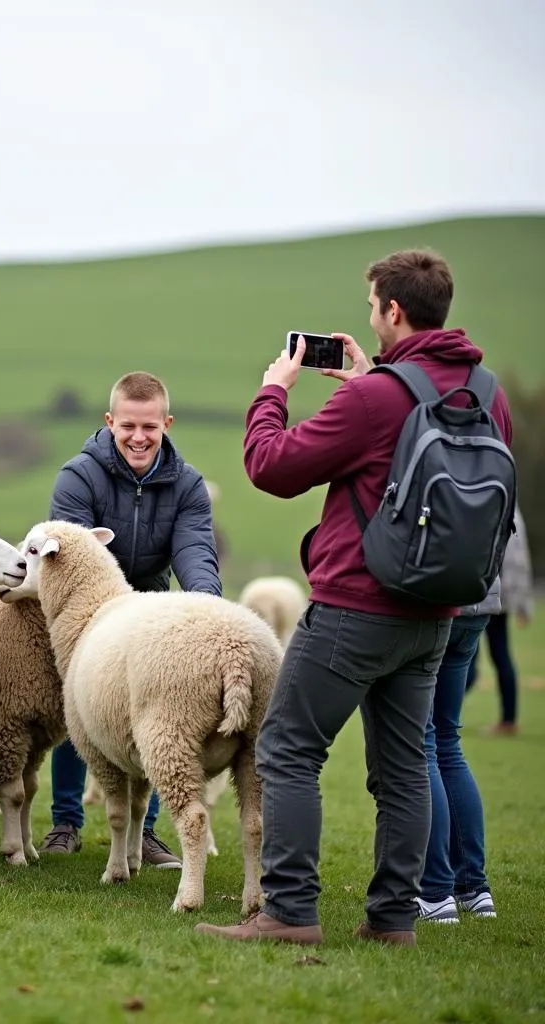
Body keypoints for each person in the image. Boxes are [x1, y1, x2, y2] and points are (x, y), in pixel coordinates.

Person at [195, 248, 512, 947]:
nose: (370, 318)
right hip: (438, 612)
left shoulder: (374, 398)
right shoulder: (486, 392)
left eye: (373, 307)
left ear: (393, 310)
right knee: (403, 768)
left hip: (355, 608)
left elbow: (272, 467)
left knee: (287, 748)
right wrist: (376, 381)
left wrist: (273, 391)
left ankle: (288, 911)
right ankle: (394, 919)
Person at [37, 370, 223, 869]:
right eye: (128, 427)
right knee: (81, 705)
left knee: (158, 717)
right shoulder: (79, 476)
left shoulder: (185, 485)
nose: (138, 437)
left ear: (167, 423)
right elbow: (73, 554)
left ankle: (150, 831)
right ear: (110, 422)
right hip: (90, 610)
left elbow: (195, 548)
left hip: (150, 606)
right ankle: (66, 821)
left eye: (150, 427)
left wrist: (205, 606)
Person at [417, 581, 500, 925]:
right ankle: (472, 888)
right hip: (477, 601)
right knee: (448, 741)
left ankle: (436, 892)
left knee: (422, 742)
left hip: (431, 604)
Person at [465, 503, 534, 736]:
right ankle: (509, 720)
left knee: (467, 660)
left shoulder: (489, 499)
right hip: (500, 594)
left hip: (484, 593)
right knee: (499, 655)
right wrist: (523, 606)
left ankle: (436, 713)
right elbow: (521, 560)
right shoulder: (513, 507)